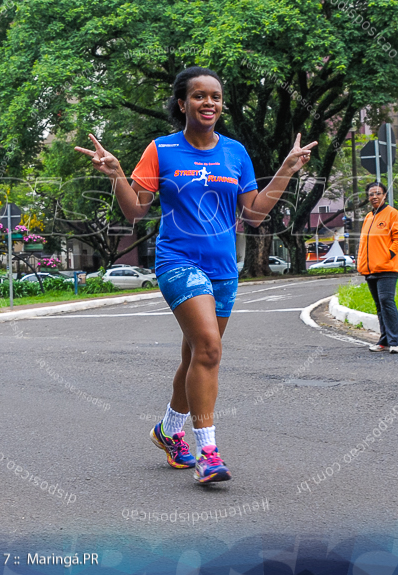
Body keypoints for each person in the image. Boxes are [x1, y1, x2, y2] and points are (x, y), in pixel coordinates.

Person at [76, 66, 316, 485]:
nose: (210, 103)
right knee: (208, 348)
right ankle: (208, 452)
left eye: (216, 97)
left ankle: (168, 431)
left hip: (224, 268)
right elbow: (136, 211)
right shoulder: (161, 150)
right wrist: (117, 175)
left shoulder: (235, 152)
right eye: (200, 96)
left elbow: (256, 215)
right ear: (182, 103)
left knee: (195, 355)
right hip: (177, 261)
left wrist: (288, 169)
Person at [356, 181, 398, 354]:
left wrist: (389, 254)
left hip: (387, 268)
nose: (374, 196)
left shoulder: (392, 214)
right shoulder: (369, 217)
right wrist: (361, 262)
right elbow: (364, 244)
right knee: (379, 305)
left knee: (387, 301)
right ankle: (384, 339)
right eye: (371, 194)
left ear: (384, 195)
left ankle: (395, 342)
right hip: (370, 270)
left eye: (378, 193)